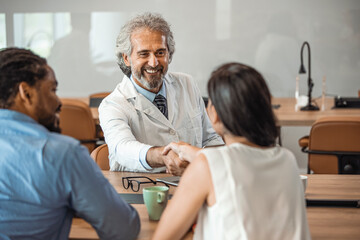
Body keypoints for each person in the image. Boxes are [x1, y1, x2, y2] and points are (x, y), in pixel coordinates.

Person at [153, 63, 311, 239]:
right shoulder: (287, 159)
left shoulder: (206, 166)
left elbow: (163, 237)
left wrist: (197, 162)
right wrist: (190, 152)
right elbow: (242, 162)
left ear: (216, 113)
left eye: (210, 101)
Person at [0, 48, 140, 240]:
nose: (59, 101)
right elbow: (124, 229)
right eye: (52, 90)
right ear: (26, 93)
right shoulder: (63, 153)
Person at [99, 12, 223, 175]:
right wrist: (164, 156)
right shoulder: (112, 104)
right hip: (141, 193)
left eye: (160, 52)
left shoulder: (187, 84)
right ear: (127, 58)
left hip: (193, 184)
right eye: (144, 54)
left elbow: (211, 139)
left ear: (169, 54)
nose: (153, 62)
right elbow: (122, 148)